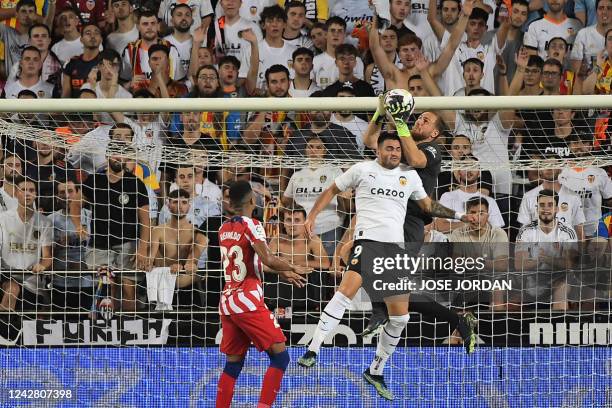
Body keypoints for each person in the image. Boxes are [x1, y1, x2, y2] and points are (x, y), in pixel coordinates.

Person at [297, 133, 475, 400]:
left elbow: (428, 205)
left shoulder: (409, 176)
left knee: (401, 317)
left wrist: (461, 215)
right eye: (388, 148)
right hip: (367, 242)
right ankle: (313, 349)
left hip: (395, 250)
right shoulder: (362, 170)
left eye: (396, 149)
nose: (393, 153)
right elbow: (331, 190)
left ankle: (375, 370)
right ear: (378, 150)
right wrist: (311, 216)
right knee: (345, 292)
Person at [361, 95, 477, 349]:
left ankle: (382, 311)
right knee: (372, 271)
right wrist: (380, 113)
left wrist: (400, 122)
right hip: (387, 215)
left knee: (391, 285)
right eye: (418, 117)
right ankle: (456, 320)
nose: (418, 121)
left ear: (434, 132)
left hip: (410, 221)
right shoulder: (400, 143)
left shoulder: (433, 149)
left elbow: (416, 161)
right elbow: (370, 140)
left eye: (424, 120)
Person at [215, 180, 310, 408]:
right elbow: (267, 258)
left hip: (228, 302)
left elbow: (251, 263)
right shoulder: (253, 224)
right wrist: (291, 266)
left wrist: (282, 272)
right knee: (280, 356)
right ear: (251, 200)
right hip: (247, 300)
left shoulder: (223, 228)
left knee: (233, 364)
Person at [80, 142, 151, 312]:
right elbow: (76, 202)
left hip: (128, 244)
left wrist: (142, 248)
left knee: (128, 287)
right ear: (107, 156)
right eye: (115, 153)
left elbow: (145, 220)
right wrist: (78, 225)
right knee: (106, 286)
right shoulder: (94, 180)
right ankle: (106, 328)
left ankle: (128, 326)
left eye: (122, 154)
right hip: (100, 244)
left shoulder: (135, 183)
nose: (119, 157)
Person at [282, 135, 348, 257]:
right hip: (302, 230)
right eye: (310, 147)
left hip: (328, 227)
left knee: (326, 268)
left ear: (325, 151)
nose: (313, 150)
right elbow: (286, 200)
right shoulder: (297, 175)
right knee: (303, 266)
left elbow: (347, 200)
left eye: (318, 147)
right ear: (305, 150)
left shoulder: (335, 171)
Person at [514, 190, 579, 311]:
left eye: (550, 205)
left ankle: (559, 325)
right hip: (532, 281)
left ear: (557, 209)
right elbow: (519, 265)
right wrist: (543, 261)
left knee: (562, 287)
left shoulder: (567, 232)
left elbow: (569, 265)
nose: (546, 209)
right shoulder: (525, 231)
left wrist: (545, 259)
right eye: (542, 205)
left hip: (559, 279)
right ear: (536, 208)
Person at [0, 176, 52, 311]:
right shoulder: (3, 219)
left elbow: (48, 257)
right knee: (12, 288)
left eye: (31, 190)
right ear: (16, 193)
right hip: (6, 278)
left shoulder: (45, 222)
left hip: (31, 284)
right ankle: (5, 329)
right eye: (23, 190)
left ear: (35, 194)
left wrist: (42, 265)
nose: (27, 193)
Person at [449, 197, 509, 310]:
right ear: (466, 215)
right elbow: (454, 263)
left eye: (481, 213)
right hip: (467, 279)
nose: (476, 217)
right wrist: (485, 263)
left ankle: (497, 324)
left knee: (498, 287)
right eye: (472, 213)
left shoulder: (498, 233)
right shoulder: (458, 233)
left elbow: (502, 265)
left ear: (488, 215)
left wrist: (477, 262)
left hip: (492, 279)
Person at [149, 188, 208, 290]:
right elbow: (152, 260)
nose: (180, 206)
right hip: (163, 284)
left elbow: (194, 260)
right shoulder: (157, 231)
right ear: (168, 205)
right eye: (175, 202)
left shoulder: (196, 233)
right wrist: (168, 267)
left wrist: (190, 265)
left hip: (188, 286)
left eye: (184, 202)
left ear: (189, 206)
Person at [61, 23, 103, 98]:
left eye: (96, 33)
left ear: (101, 39)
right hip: (75, 108)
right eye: (88, 33)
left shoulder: (105, 63)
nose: (92, 36)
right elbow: (65, 95)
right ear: (81, 39)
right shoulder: (71, 63)